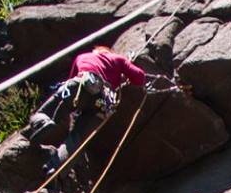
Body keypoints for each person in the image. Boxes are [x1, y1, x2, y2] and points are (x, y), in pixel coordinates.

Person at [25, 46, 150, 178]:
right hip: (101, 105)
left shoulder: (83, 56)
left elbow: (71, 78)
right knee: (77, 139)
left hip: (80, 85)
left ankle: (43, 121)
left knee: (47, 110)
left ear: (96, 52)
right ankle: (55, 169)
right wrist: (121, 77)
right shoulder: (118, 59)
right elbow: (140, 77)